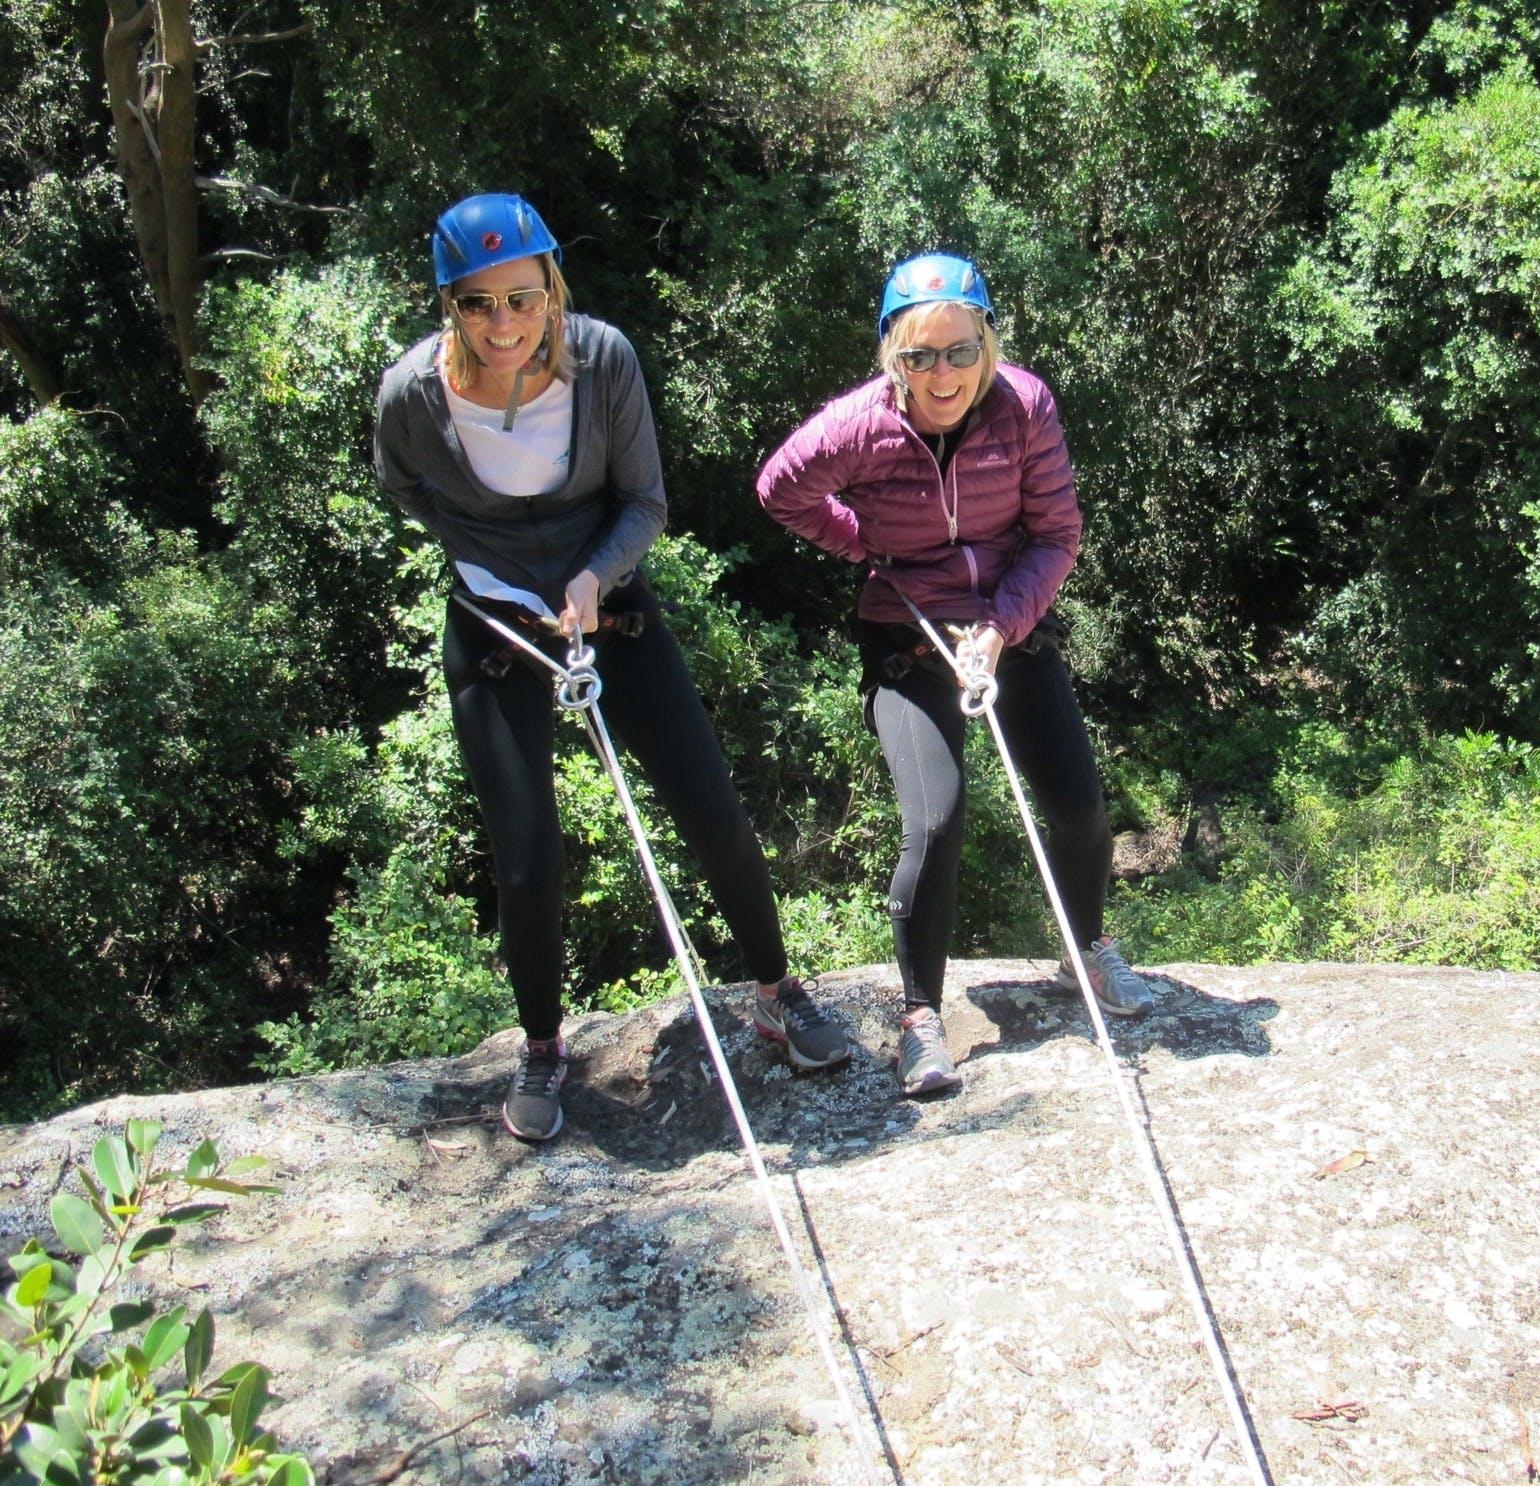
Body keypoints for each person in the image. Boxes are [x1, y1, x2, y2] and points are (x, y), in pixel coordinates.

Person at [373, 193, 850, 1142]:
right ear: (448, 305)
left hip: (612, 611)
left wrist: (591, 577)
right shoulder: (412, 397)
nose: (504, 324)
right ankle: (544, 1048)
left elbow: (644, 500)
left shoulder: (603, 361)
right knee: (527, 855)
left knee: (710, 806)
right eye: (479, 304)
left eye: (521, 297)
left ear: (552, 287)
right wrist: (492, 572)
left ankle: (776, 991)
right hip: (495, 631)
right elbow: (406, 489)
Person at [756, 252, 1151, 1098]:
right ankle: (919, 1018)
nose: (944, 374)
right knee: (935, 821)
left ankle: (1086, 948)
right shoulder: (858, 426)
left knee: (1079, 805)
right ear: (891, 358)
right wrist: (861, 546)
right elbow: (780, 489)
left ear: (989, 345)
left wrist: (1001, 627)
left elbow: (1057, 534)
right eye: (920, 356)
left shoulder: (1025, 407)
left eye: (961, 351)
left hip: (1008, 627)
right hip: (906, 634)